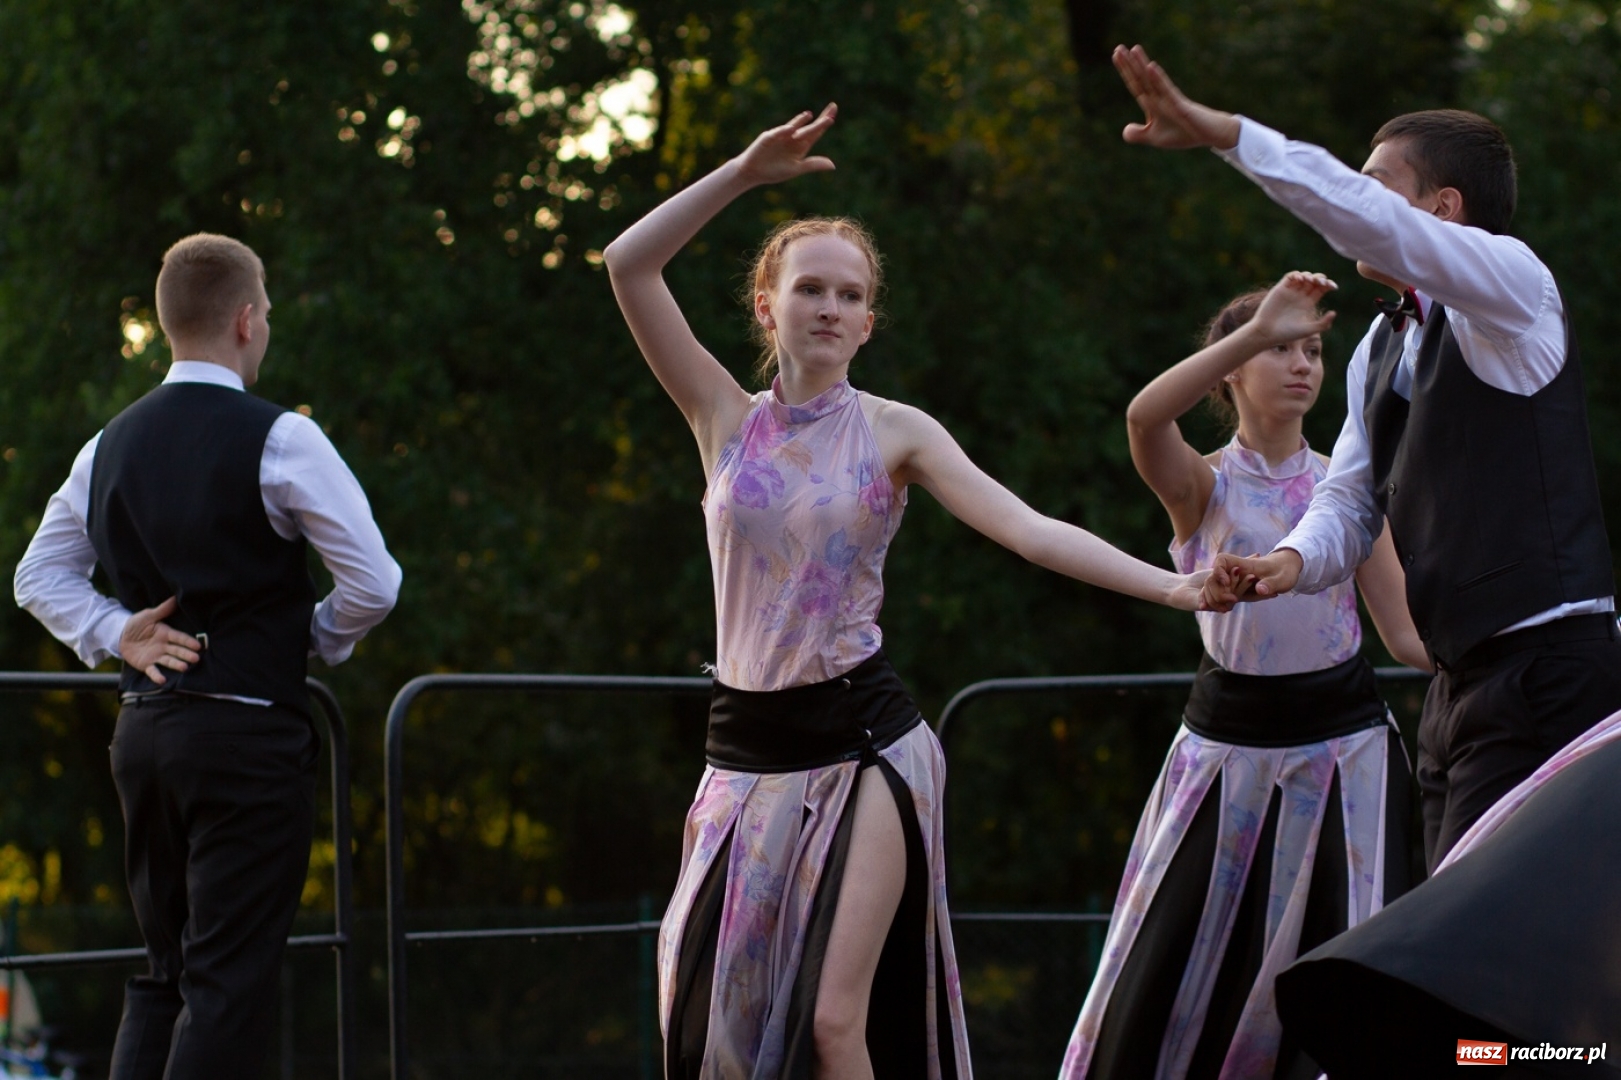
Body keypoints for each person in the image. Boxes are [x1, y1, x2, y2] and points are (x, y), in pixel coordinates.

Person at [603, 104, 1208, 1079]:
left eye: (849, 295)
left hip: (864, 743)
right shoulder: (722, 416)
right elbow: (628, 265)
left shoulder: (896, 433)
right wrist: (742, 175)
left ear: (868, 321)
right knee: (715, 1029)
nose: (830, 307)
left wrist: (1173, 590)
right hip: (744, 752)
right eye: (810, 289)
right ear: (769, 305)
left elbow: (1029, 530)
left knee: (838, 1023)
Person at [1109, 43, 1621, 1075]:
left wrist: (1224, 134)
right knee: (1463, 990)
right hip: (1460, 693)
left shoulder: (1513, 295)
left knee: (1470, 983)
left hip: (1553, 678)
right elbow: (1349, 498)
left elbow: (1360, 214)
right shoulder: (1381, 348)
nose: (1352, 198)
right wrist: (1287, 563)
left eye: (1373, 180)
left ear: (1441, 210)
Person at [13, 233, 401, 1080]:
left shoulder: (103, 445)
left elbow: (36, 576)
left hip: (143, 738)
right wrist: (311, 637)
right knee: (227, 983)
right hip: (245, 744)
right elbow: (374, 582)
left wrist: (119, 634)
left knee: (165, 977)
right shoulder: (283, 440)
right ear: (246, 321)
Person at [1059, 271, 1429, 1080]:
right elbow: (1143, 415)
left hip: (1346, 756)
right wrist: (1250, 328)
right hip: (1226, 757)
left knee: (1354, 960)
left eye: (1312, 349)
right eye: (1279, 348)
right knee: (1177, 964)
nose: (1301, 363)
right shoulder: (1203, 486)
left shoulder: (1347, 488)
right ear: (1232, 369)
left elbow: (1404, 636)